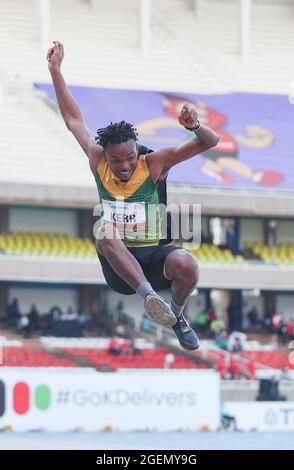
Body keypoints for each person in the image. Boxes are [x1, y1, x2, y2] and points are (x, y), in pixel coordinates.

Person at [47, 41, 220, 350]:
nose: (124, 165)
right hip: (120, 267)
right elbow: (74, 120)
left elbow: (210, 142)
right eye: (116, 160)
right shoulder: (96, 158)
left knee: (187, 265)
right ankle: (151, 299)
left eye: (129, 157)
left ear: (136, 151)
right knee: (105, 231)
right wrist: (56, 71)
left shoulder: (153, 163)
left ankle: (176, 317)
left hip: (153, 255)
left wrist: (195, 126)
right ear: (106, 156)